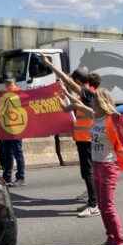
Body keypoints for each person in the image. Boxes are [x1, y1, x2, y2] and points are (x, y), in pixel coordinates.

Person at [64, 87, 123, 245]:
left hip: (109, 165)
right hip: (97, 164)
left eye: (94, 100)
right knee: (101, 205)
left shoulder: (112, 119)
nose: (91, 102)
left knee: (107, 206)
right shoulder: (96, 116)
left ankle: (119, 244)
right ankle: (110, 239)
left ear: (101, 102)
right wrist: (68, 95)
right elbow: (81, 106)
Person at [39, 54, 100, 218]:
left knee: (88, 171)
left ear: (79, 81)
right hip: (82, 138)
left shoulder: (88, 92)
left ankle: (94, 204)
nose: (71, 84)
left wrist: (49, 65)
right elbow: (69, 107)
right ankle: (92, 199)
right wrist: (62, 98)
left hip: (87, 139)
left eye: (74, 82)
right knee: (86, 171)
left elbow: (66, 79)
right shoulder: (84, 94)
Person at [0, 77, 26, 187]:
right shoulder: (3, 94)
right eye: (7, 83)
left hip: (16, 128)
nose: (8, 85)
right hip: (7, 128)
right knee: (8, 153)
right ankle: (7, 177)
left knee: (16, 153)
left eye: (9, 83)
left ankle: (20, 177)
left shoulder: (18, 94)